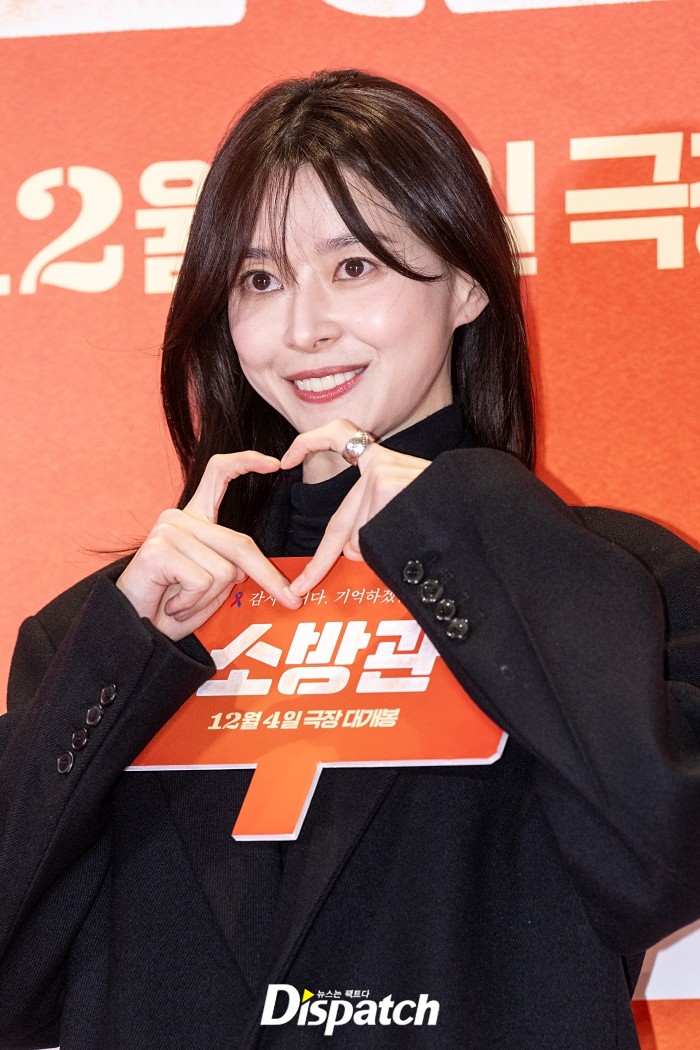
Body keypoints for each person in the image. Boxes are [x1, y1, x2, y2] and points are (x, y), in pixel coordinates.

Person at [1, 68, 699, 1050]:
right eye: (260, 280)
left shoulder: (621, 580)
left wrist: (461, 528)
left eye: (356, 266)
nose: (304, 328)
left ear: (466, 285)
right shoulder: (109, 630)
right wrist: (120, 655)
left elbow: (661, 860)